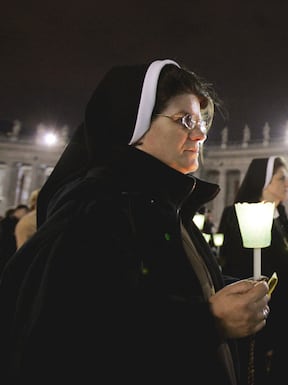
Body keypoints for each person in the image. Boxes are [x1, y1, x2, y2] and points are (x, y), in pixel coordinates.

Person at [0, 59, 270, 385]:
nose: (200, 135)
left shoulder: (166, 205)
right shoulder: (93, 211)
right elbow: (76, 342)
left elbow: (160, 285)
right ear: (135, 126)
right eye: (186, 120)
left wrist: (232, 288)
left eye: (202, 123)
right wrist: (209, 323)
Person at [218, 155, 288, 385]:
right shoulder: (236, 215)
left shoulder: (282, 219)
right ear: (264, 182)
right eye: (281, 178)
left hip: (286, 314)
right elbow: (232, 264)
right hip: (256, 315)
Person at [0, 204, 29, 271]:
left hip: (8, 251)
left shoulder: (18, 222)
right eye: (25, 212)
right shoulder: (8, 222)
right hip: (7, 250)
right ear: (18, 211)